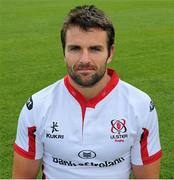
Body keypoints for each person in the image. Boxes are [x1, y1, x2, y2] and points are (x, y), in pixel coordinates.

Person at [12, 5, 162, 179]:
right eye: (75, 48)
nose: (85, 59)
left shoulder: (140, 106)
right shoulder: (37, 106)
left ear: (110, 52)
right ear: (64, 52)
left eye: (95, 49)